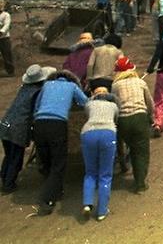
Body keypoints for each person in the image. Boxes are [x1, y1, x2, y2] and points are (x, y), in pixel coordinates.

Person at [32, 69, 88, 215]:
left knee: (46, 161)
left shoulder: (46, 86)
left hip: (39, 124)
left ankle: (55, 189)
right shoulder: (72, 87)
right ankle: (48, 200)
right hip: (57, 125)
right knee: (58, 163)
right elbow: (85, 102)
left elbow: (37, 106)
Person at [0, 64, 56, 194]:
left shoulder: (24, 88)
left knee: (9, 155)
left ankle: (4, 176)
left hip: (6, 122)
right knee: (16, 158)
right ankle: (8, 184)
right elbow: (36, 110)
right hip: (18, 127)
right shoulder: (38, 92)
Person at [112, 56, 153, 193]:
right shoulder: (140, 82)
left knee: (131, 147)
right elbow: (149, 103)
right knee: (141, 152)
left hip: (123, 120)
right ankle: (140, 184)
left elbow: (114, 104)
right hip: (140, 118)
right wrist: (150, 117)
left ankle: (124, 164)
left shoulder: (115, 86)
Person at [80, 86, 118, 221]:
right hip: (108, 133)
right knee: (105, 174)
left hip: (88, 133)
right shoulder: (113, 106)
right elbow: (116, 119)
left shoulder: (89, 104)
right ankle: (102, 211)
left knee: (90, 172)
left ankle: (87, 203)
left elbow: (87, 114)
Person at [0, 0, 13, 77]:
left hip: (4, 38)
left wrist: (1, 31)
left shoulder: (6, 15)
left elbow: (7, 25)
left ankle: (10, 71)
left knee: (7, 55)